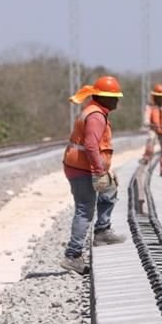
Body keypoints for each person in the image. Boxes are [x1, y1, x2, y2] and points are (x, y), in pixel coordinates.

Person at [60, 75, 127, 275]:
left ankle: (102, 231)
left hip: (82, 166)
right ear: (103, 97)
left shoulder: (95, 111)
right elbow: (90, 145)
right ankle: (73, 255)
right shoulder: (96, 116)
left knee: (110, 189)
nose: (117, 100)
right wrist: (99, 170)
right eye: (113, 97)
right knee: (84, 210)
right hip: (82, 168)